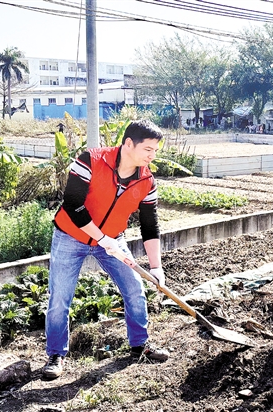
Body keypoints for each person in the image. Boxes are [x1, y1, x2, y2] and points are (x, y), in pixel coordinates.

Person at [43, 119, 170, 380]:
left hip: (113, 240)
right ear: (128, 144)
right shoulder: (91, 160)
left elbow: (150, 224)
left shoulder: (146, 181)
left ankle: (140, 347)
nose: (152, 155)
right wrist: (101, 239)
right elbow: (73, 205)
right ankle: (56, 354)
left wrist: (156, 267)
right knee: (59, 299)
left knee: (135, 289)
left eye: (155, 150)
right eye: (148, 149)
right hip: (71, 236)